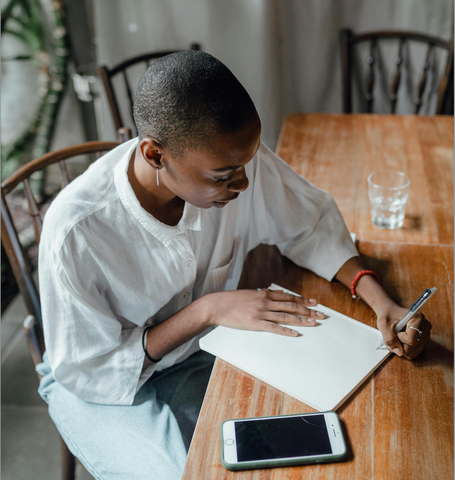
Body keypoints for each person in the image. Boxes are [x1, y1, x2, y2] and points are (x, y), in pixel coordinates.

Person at [37, 50, 431, 480]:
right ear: (154, 155)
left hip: (199, 351)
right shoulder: (76, 231)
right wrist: (209, 309)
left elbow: (310, 224)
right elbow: (88, 368)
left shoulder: (232, 162)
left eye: (247, 163)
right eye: (224, 176)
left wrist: (379, 299)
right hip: (99, 384)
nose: (243, 183)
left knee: (320, 427)